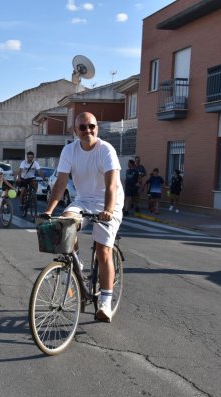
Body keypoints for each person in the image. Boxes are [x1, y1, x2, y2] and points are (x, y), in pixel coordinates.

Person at [43, 112, 124, 323]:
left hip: (109, 202)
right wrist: (49, 210)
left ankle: (105, 302)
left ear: (97, 128)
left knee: (103, 249)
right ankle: (75, 263)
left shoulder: (106, 150)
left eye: (92, 126)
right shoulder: (69, 150)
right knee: (65, 222)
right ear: (75, 131)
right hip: (84, 199)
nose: (88, 130)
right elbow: (60, 184)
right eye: (83, 127)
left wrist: (107, 210)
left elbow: (111, 185)